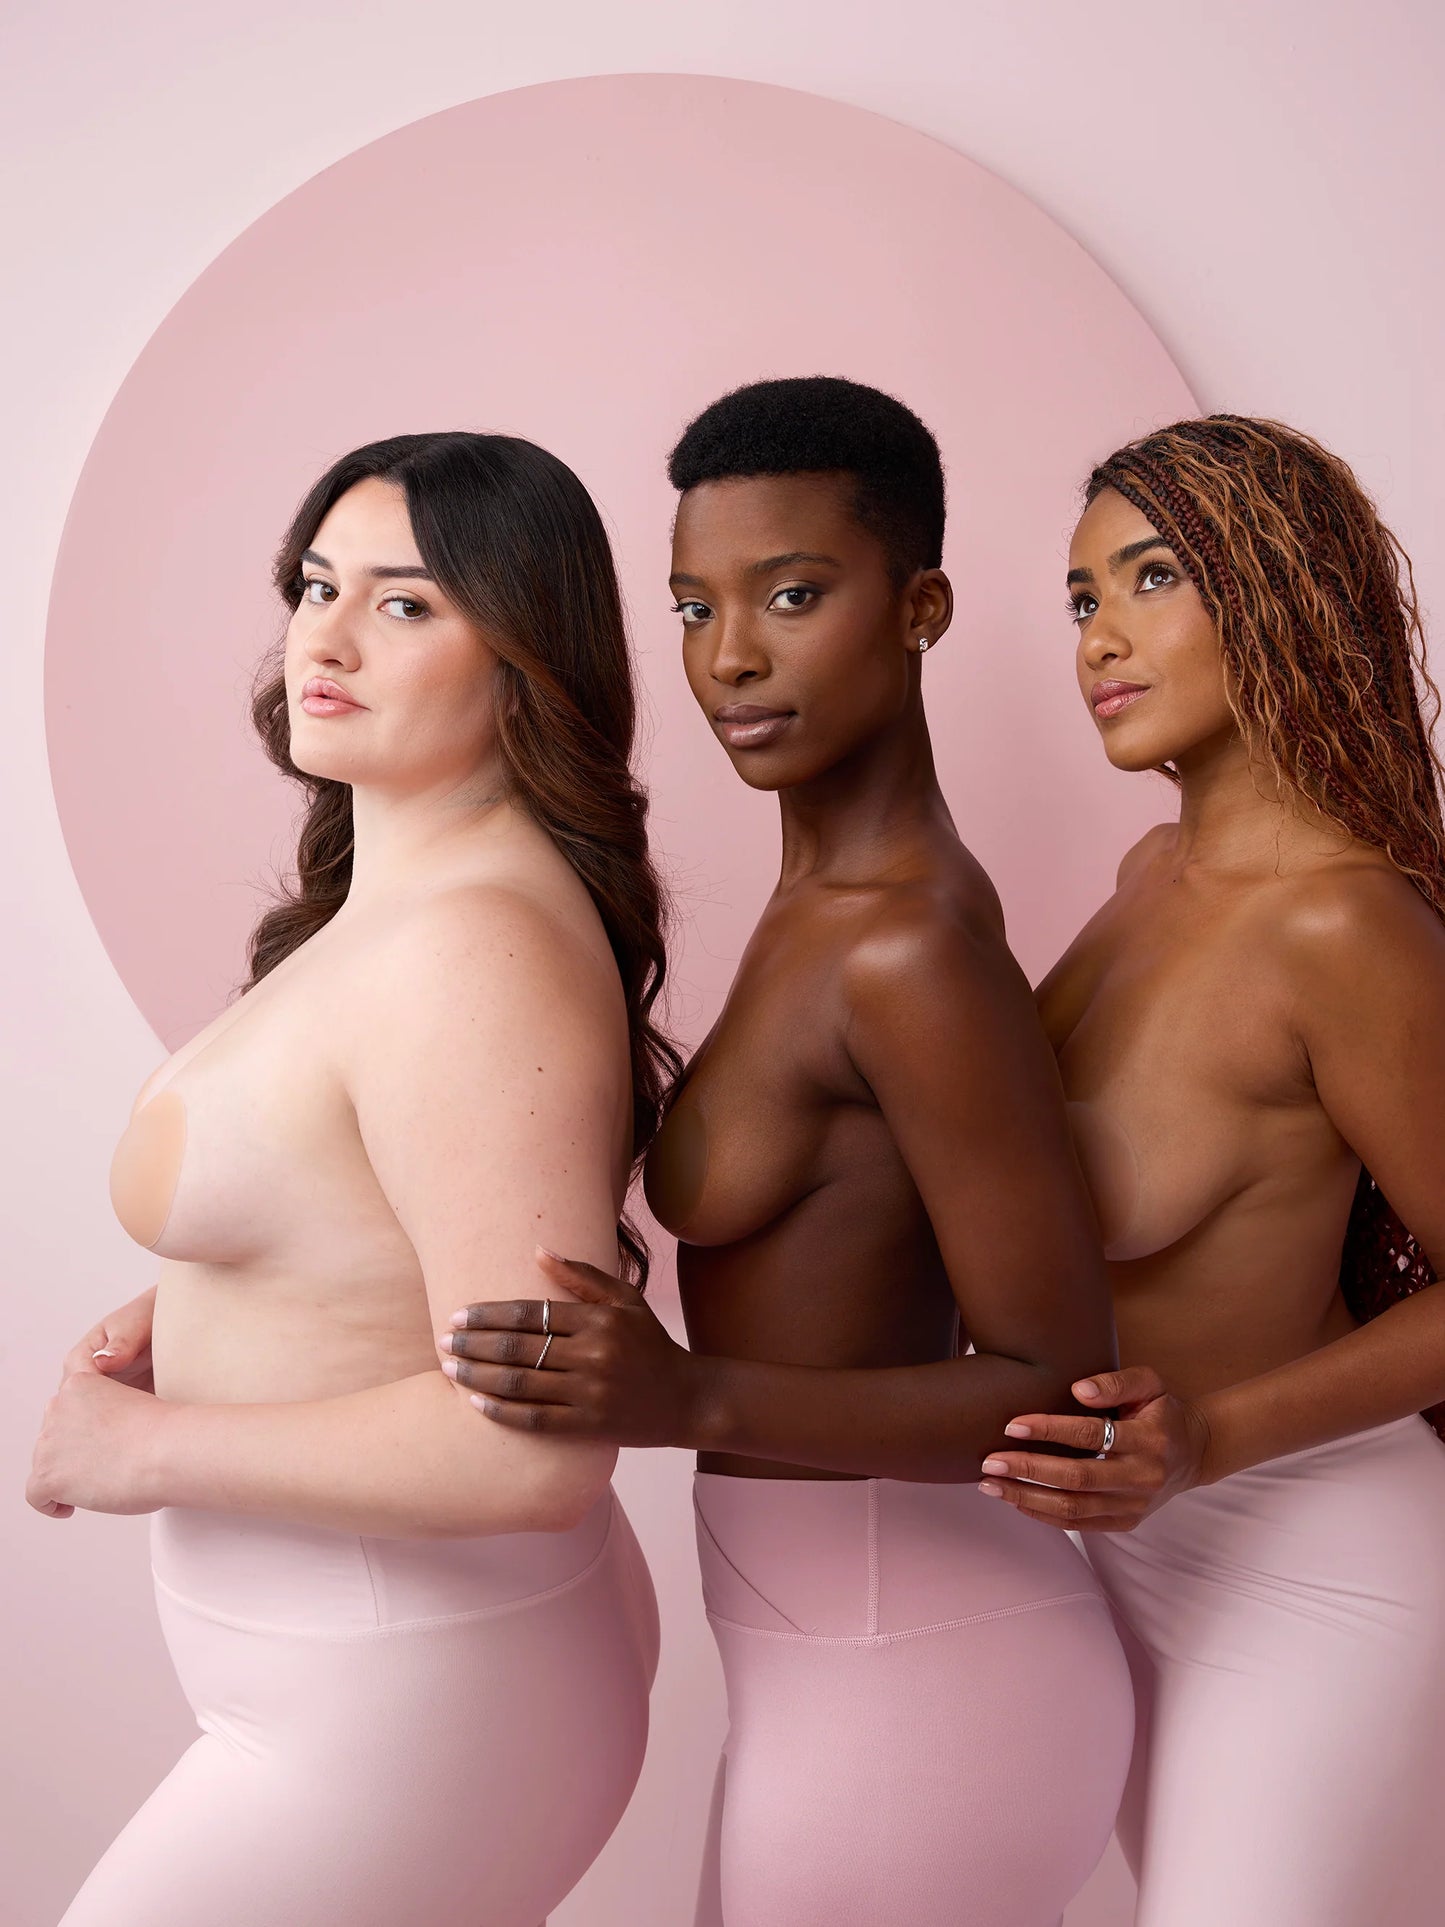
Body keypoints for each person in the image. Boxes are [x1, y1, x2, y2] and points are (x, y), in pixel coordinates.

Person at [443, 378, 1134, 1927]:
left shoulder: (907, 948)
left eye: (794, 595)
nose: (730, 656)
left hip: (924, 1664)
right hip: (836, 1660)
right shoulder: (812, 912)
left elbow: (1055, 1384)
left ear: (920, 607)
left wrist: (688, 1396)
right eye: (693, 604)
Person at [28, 432, 670, 1927]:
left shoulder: (472, 950)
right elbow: (378, 1208)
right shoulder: (398, 908)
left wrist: (149, 1452)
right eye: (317, 585)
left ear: (525, 653)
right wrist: (206, 1304)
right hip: (377, 1682)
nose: (323, 635)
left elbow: (531, 1446)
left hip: (409, 1700)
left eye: (404, 603)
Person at [978, 416, 1445, 1925]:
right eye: (1076, 600)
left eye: (1149, 577)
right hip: (1108, 1546)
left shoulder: (1341, 928)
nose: (1097, 637)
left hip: (1304, 1551)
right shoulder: (1147, 879)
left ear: (1278, 591)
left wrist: (1211, 1441)